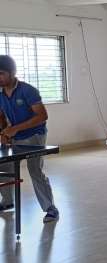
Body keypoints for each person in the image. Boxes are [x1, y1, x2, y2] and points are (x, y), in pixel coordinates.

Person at [0, 55, 59, 222]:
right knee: (4, 166)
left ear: (12, 73)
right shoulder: (0, 94)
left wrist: (14, 129)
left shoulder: (28, 90)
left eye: (1, 73)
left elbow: (42, 116)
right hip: (14, 135)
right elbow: (1, 116)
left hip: (35, 136)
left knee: (35, 171)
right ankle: (7, 201)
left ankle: (51, 208)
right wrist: (4, 132)